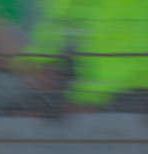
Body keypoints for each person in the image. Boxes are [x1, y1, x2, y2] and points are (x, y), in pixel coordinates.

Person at [15, 0, 148, 114]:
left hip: (129, 95)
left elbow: (133, 59)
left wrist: (89, 100)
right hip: (72, 93)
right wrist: (38, 66)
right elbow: (49, 37)